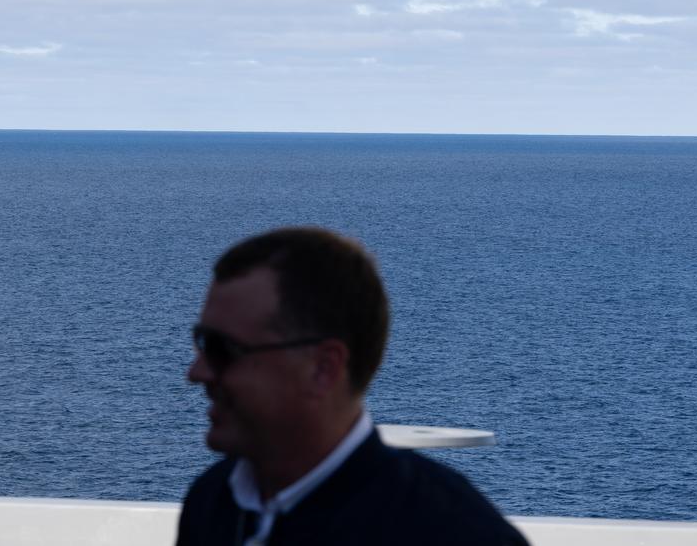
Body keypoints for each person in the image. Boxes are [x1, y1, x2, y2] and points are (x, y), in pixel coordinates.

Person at [177, 226, 527, 545]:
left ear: (324, 369)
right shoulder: (212, 503)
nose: (196, 372)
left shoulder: (455, 534)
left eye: (223, 350)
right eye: (203, 343)